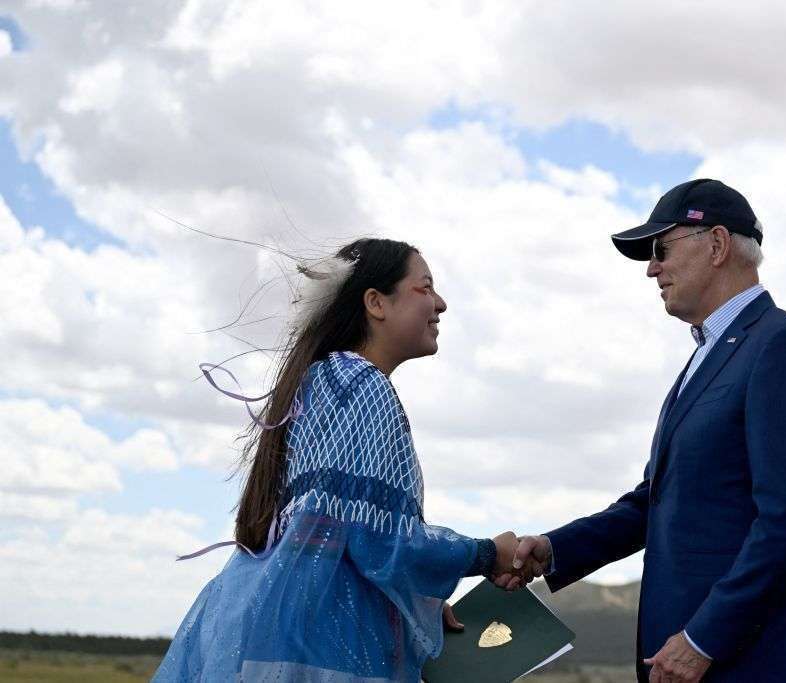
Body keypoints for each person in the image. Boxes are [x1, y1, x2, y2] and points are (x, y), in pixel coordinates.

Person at [498, 179, 786, 682]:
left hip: (741, 661)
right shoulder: (706, 358)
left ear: (718, 245)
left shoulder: (783, 345)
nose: (653, 269)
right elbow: (652, 502)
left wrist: (704, 638)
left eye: (661, 249)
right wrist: (554, 549)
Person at [154, 238, 524, 682]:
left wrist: (406, 604)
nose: (441, 303)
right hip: (326, 655)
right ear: (376, 303)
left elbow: (339, 540)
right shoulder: (362, 385)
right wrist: (487, 554)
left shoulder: (320, 380)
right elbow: (383, 541)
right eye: (424, 288)